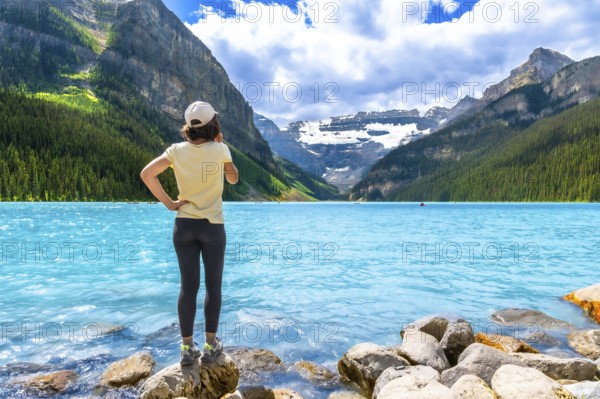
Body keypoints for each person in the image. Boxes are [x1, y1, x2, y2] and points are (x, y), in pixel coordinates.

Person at [140, 101, 239, 366]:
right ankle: (210, 345)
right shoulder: (221, 150)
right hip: (212, 226)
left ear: (189, 127)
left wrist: (170, 204)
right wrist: (221, 147)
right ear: (214, 125)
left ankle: (186, 348)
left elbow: (147, 174)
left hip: (183, 225)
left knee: (188, 287)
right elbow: (233, 179)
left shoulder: (176, 151)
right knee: (213, 286)